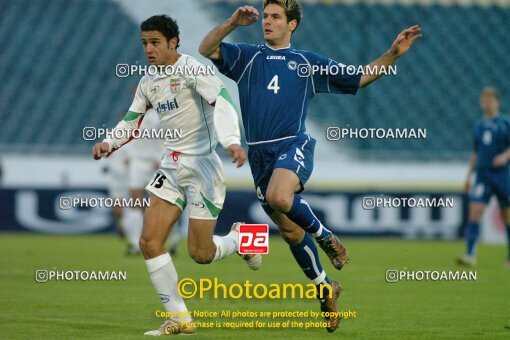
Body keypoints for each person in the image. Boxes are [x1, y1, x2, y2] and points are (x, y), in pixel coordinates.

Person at [199, 0, 421, 332]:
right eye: (267, 16)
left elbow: (358, 78)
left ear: (292, 25)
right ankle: (325, 288)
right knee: (289, 232)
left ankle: (327, 237)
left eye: (276, 17)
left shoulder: (306, 63)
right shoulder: (246, 57)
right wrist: (232, 23)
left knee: (280, 195)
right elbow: (207, 48)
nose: (268, 22)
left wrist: (391, 55)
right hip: (259, 156)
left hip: (293, 144)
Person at [93, 15, 260, 336]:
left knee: (201, 254)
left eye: (155, 42)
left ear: (173, 42)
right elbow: (131, 120)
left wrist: (231, 142)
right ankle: (181, 319)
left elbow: (222, 101)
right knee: (149, 242)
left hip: (202, 168)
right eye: (144, 43)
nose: (149, 49)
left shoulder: (193, 69)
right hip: (170, 168)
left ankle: (242, 239)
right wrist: (109, 142)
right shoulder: (147, 82)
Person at [458, 87, 510, 268]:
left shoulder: (505, 123)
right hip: (482, 175)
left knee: (507, 215)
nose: (487, 103)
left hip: (502, 175)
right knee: (475, 212)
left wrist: (505, 156)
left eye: (490, 100)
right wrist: (468, 176)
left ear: (497, 102)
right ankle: (470, 254)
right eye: (484, 100)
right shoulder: (479, 125)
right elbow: (475, 152)